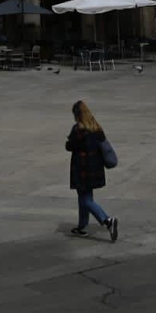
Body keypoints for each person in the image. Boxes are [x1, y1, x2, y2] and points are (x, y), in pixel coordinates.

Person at [65, 101, 119, 242]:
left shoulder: (78, 130)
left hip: (82, 170)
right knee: (85, 198)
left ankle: (107, 220)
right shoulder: (96, 128)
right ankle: (81, 226)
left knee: (86, 199)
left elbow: (69, 146)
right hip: (95, 170)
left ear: (77, 115)